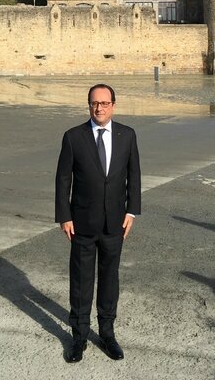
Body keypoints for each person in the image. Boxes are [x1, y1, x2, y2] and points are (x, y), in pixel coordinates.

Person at [55, 83, 141, 363]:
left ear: (113, 105)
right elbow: (63, 179)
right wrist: (64, 215)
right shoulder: (73, 137)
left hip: (115, 223)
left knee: (109, 279)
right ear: (88, 105)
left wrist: (132, 212)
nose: (99, 108)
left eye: (104, 103)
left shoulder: (127, 135)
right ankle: (79, 336)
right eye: (94, 103)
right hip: (81, 222)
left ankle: (107, 333)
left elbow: (134, 175)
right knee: (81, 281)